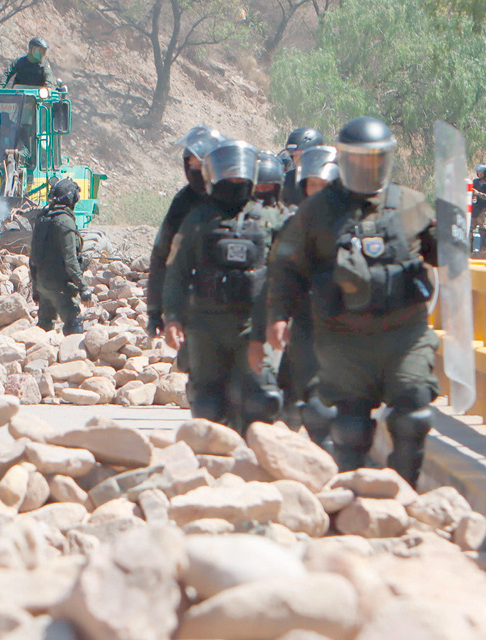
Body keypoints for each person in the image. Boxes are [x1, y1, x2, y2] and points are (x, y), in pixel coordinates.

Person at [265, 116, 440, 487]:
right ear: (343, 160)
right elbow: (286, 267)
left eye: (376, 159)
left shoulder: (412, 204)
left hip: (404, 334)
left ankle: (403, 495)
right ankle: (352, 501)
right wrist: (279, 315)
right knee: (350, 427)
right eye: (359, 159)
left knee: (414, 415)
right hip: (345, 338)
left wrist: (455, 234)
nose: (367, 168)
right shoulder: (318, 211)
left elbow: (443, 256)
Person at [163, 139, 280, 433]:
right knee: (208, 406)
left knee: (259, 401)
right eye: (230, 174)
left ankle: (253, 467)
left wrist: (281, 320)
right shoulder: (198, 219)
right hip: (206, 325)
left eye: (240, 175)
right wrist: (172, 317)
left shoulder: (268, 221)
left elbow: (285, 276)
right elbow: (176, 271)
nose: (236, 181)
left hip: (251, 326)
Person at [252, 144, 339, 433]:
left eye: (323, 184)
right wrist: (274, 319)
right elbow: (278, 273)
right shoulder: (291, 223)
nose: (317, 190)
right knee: (291, 397)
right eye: (311, 184)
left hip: (345, 325)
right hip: (300, 322)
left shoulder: (355, 222)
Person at [145, 125, 225, 337]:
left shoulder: (239, 195)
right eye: (190, 163)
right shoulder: (184, 200)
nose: (193, 169)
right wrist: (155, 310)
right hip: (197, 303)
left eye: (199, 164)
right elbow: (161, 253)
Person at [29, 178, 90, 335]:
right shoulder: (65, 222)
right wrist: (84, 287)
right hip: (60, 287)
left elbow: (33, 258)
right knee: (74, 322)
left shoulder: (42, 218)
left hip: (43, 286)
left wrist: (36, 290)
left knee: (44, 326)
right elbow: (71, 261)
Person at [280, 127, 325, 207]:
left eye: (303, 155)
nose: (298, 159)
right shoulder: (287, 181)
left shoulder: (330, 179)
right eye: (294, 155)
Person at [471, 163, 486, 250]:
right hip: (476, 208)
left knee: (483, 230)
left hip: (485, 210)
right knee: (470, 229)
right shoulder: (476, 182)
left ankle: (483, 250)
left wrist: (478, 194)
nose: (480, 175)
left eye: (482, 173)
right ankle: (470, 251)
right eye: (478, 173)